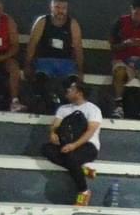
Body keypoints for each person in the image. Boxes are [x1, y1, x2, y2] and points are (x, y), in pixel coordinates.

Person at [43, 76, 102, 205]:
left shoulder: (93, 109)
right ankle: (82, 170)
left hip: (87, 145)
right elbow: (55, 125)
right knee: (46, 149)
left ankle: (84, 191)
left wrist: (74, 145)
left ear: (79, 93)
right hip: (65, 144)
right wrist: (53, 133)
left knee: (71, 157)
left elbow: (90, 131)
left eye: (71, 89)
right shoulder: (63, 109)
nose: (68, 91)